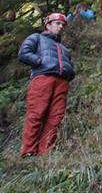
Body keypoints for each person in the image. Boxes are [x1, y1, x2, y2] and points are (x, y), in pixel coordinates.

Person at [18, 13, 76, 157]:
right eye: (57, 23)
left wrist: (70, 73)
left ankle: (46, 152)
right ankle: (29, 152)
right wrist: (39, 62)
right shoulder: (36, 38)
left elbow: (69, 64)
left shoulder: (64, 49)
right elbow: (24, 53)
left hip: (62, 82)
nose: (61, 27)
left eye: (63, 25)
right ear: (48, 25)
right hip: (42, 78)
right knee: (36, 113)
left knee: (55, 117)